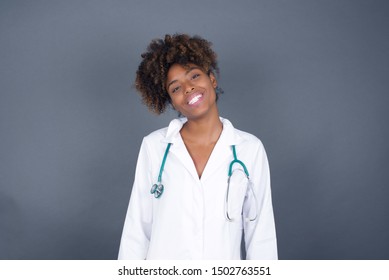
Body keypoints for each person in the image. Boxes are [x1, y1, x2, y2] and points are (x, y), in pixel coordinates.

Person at [118, 34, 277, 260]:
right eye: (175, 88)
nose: (189, 88)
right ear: (170, 101)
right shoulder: (155, 147)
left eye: (194, 76)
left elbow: (261, 235)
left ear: (212, 79)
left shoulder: (249, 149)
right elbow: (137, 231)